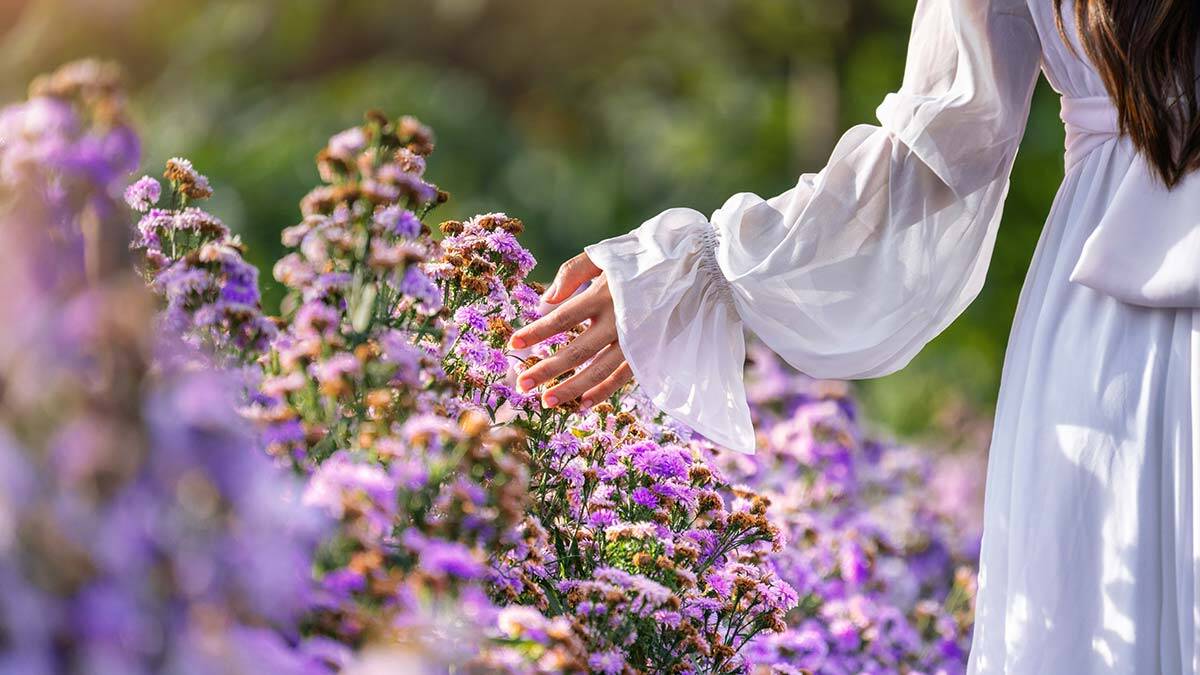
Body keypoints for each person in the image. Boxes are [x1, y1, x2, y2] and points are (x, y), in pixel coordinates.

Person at [508, 0, 1200, 671]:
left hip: (1108, 317)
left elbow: (936, 145)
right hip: (1117, 334)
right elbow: (937, 146)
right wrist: (698, 270)